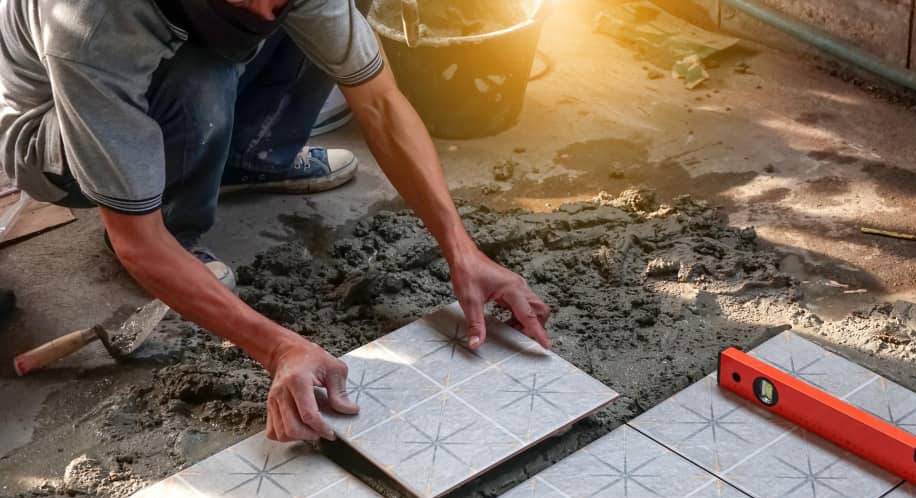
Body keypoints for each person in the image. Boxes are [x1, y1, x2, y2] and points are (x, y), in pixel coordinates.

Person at [0, 0, 551, 442]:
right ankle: (178, 222)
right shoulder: (93, 25)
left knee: (310, 32)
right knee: (201, 75)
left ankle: (248, 159)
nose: (266, 9)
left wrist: (463, 250)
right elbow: (136, 242)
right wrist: (278, 347)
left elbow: (379, 100)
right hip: (48, 129)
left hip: (173, 44)